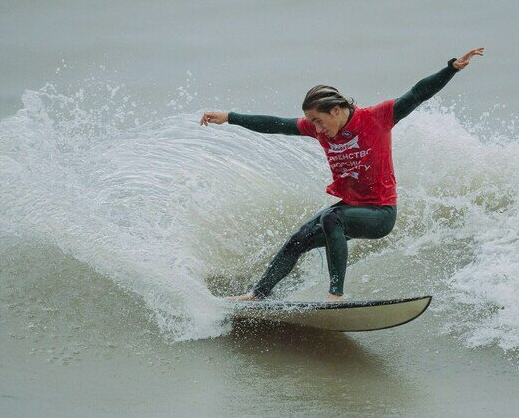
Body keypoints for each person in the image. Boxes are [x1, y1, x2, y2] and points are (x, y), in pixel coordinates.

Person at [200, 47, 484, 301]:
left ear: (336, 110)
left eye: (319, 121)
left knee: (330, 217)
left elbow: (417, 94)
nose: (316, 128)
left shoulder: (377, 118)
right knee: (298, 240)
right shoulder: (318, 127)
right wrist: (230, 117)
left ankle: (336, 295)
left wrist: (451, 68)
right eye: (312, 122)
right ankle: (258, 295)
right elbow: (276, 124)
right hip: (349, 207)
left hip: (380, 213)